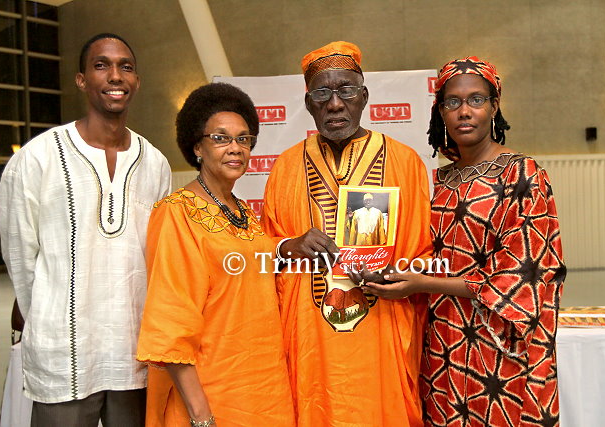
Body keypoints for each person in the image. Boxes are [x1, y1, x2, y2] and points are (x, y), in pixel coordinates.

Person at [351, 57, 566, 425]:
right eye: (453, 102)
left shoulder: (522, 173)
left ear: (494, 106)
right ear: (441, 113)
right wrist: (396, 270)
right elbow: (428, 251)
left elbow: (523, 276)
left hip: (499, 343)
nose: (464, 111)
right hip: (442, 340)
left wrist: (423, 283)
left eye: (476, 100)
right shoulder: (439, 181)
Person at [0, 33, 171, 426]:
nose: (115, 76)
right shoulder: (37, 159)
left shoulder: (155, 163)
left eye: (125, 67)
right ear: (80, 80)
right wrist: (51, 319)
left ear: (137, 81)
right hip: (65, 356)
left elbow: (154, 256)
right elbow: (21, 260)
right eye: (101, 65)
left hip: (134, 357)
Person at [261, 41, 433, 426]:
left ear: (364, 96)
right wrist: (289, 245)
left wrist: (393, 273)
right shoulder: (286, 167)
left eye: (346, 90)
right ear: (308, 103)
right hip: (309, 339)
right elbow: (263, 253)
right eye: (322, 92)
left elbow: (424, 251)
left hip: (380, 329)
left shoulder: (405, 162)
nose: (335, 104)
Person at [136, 83, 295, 427]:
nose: (235, 148)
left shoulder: (247, 215)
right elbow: (171, 322)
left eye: (243, 139)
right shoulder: (176, 214)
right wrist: (201, 416)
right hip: (213, 396)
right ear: (197, 147)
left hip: (268, 393)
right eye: (220, 138)